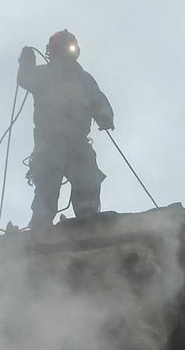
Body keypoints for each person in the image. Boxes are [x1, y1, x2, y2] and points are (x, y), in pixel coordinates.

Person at [17, 30, 114, 227]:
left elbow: (97, 98)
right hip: (50, 143)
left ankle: (86, 217)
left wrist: (105, 115)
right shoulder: (44, 75)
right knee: (47, 184)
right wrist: (26, 63)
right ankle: (41, 224)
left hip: (76, 143)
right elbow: (26, 79)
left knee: (87, 179)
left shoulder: (83, 78)